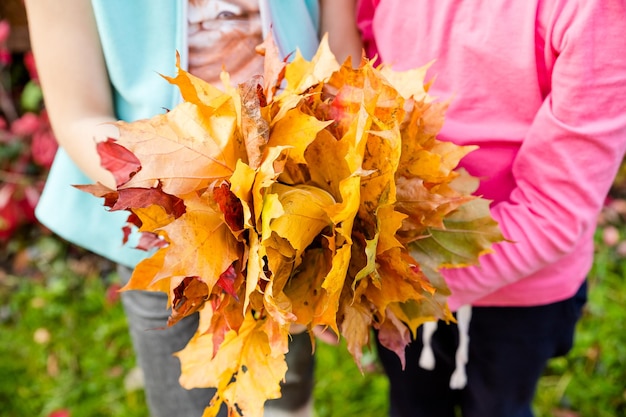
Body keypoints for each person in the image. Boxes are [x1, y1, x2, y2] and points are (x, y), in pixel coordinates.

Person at [23, 1, 359, 416]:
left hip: (297, 219)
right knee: (189, 399)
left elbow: (341, 53)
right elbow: (78, 114)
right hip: (168, 232)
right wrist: (183, 201)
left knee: (283, 392)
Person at [331, 1, 625, 416]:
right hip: (400, 264)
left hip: (519, 292)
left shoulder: (593, 13)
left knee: (499, 405)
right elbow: (366, 60)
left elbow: (554, 211)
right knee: (413, 401)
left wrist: (400, 283)